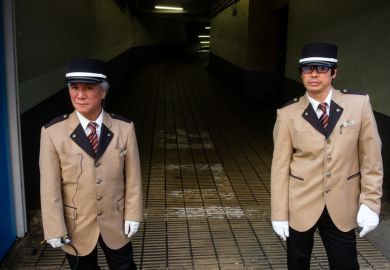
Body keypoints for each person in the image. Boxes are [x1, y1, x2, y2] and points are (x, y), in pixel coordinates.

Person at [270, 43, 383, 269]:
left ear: (334, 73)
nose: (313, 74)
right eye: (307, 69)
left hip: (342, 203)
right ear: (301, 73)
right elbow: (280, 167)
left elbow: (371, 159)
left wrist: (371, 202)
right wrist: (279, 212)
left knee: (346, 264)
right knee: (298, 263)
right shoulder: (287, 113)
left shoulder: (358, 105)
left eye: (322, 68)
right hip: (300, 203)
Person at [40, 58, 143, 270]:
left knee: (125, 267)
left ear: (103, 92)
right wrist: (53, 228)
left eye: (88, 88)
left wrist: (133, 214)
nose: (80, 95)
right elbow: (50, 187)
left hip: (115, 220)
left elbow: (133, 178)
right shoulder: (53, 133)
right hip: (75, 225)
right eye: (74, 87)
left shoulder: (124, 128)